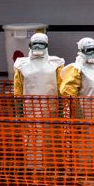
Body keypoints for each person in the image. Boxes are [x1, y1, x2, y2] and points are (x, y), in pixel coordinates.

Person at [59, 37, 94, 184]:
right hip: (84, 114)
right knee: (83, 144)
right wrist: (75, 112)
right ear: (81, 51)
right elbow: (68, 92)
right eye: (89, 50)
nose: (92, 53)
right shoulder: (76, 69)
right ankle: (82, 175)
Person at [12, 32, 64, 171]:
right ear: (30, 45)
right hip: (30, 109)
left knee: (50, 138)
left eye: (41, 44)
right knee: (32, 138)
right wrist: (19, 110)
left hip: (51, 109)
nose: (38, 47)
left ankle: (50, 167)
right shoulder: (22, 64)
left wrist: (62, 107)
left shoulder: (55, 63)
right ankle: (33, 167)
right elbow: (18, 88)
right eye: (35, 44)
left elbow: (60, 87)